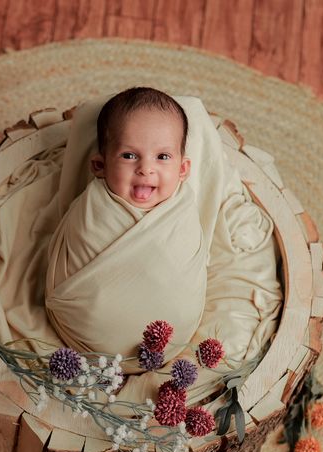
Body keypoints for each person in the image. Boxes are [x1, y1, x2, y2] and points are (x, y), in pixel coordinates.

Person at [44, 87, 208, 366]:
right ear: (99, 165)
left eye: (163, 157)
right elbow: (73, 244)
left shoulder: (182, 209)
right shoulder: (92, 207)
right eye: (130, 156)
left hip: (168, 339)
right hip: (83, 333)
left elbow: (190, 265)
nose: (146, 168)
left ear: (183, 170)